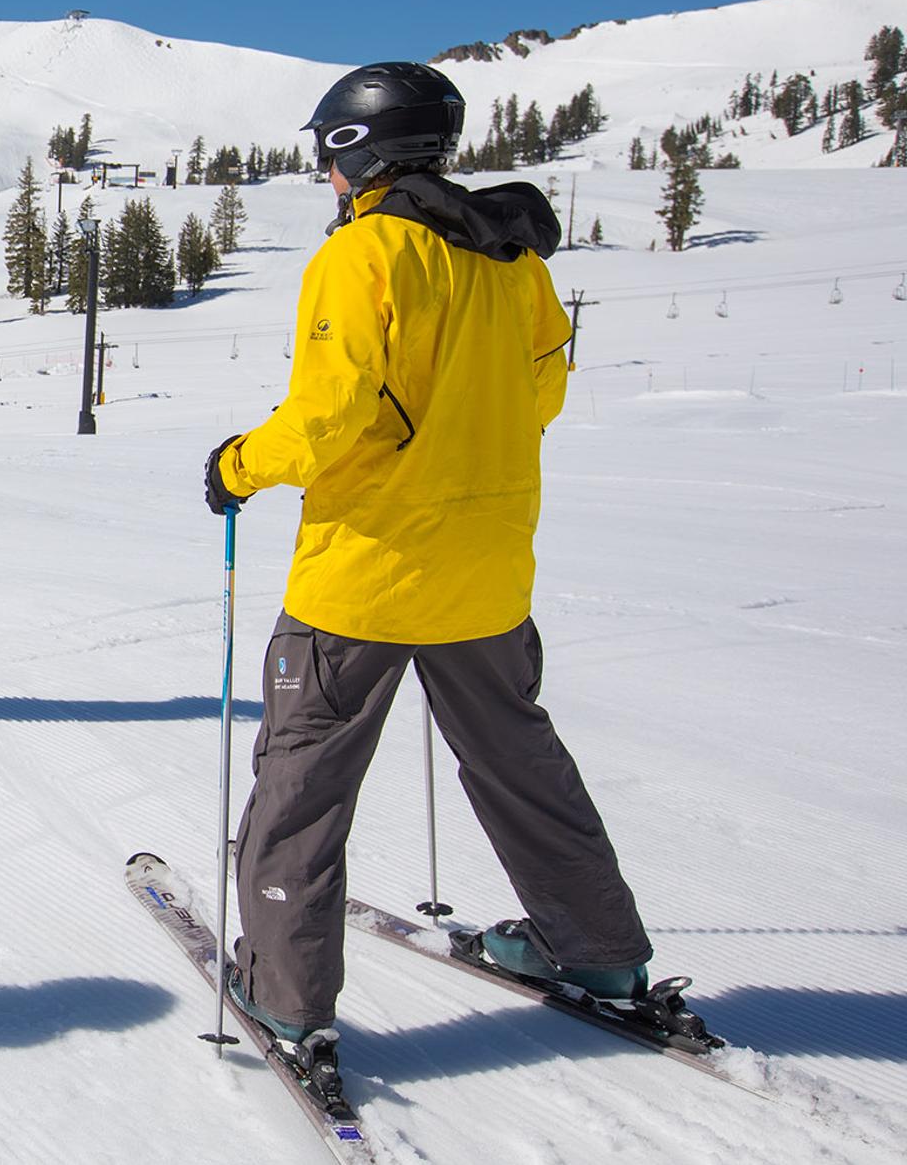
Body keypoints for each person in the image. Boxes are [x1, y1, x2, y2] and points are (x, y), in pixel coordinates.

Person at [203, 63, 707, 1076]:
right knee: (522, 765)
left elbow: (329, 418)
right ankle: (598, 956)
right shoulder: (513, 259)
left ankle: (285, 995)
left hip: (365, 576)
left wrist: (236, 465)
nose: (322, 173)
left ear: (354, 151)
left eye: (326, 152)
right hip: (485, 573)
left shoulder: (363, 255)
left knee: (302, 778)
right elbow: (541, 398)